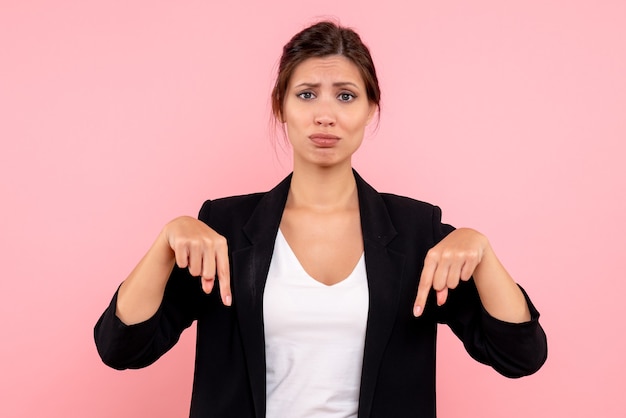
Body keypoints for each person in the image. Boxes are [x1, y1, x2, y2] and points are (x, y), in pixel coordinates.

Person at [94, 20, 547, 418]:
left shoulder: (416, 233)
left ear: (371, 110)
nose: (325, 116)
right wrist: (166, 241)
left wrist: (481, 250)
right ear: (281, 107)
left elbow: (520, 356)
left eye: (346, 96)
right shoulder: (224, 228)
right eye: (306, 94)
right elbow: (121, 349)